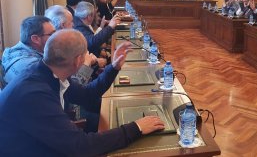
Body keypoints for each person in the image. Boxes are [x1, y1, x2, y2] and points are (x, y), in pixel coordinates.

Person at [0, 30, 165, 156]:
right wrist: (136, 128)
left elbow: (87, 95)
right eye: (86, 54)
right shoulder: (34, 94)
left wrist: (113, 66)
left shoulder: (49, 73)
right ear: (78, 60)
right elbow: (80, 146)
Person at [1, 16, 55, 85]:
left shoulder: (14, 51)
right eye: (52, 34)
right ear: (35, 39)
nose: (56, 37)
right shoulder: (31, 66)